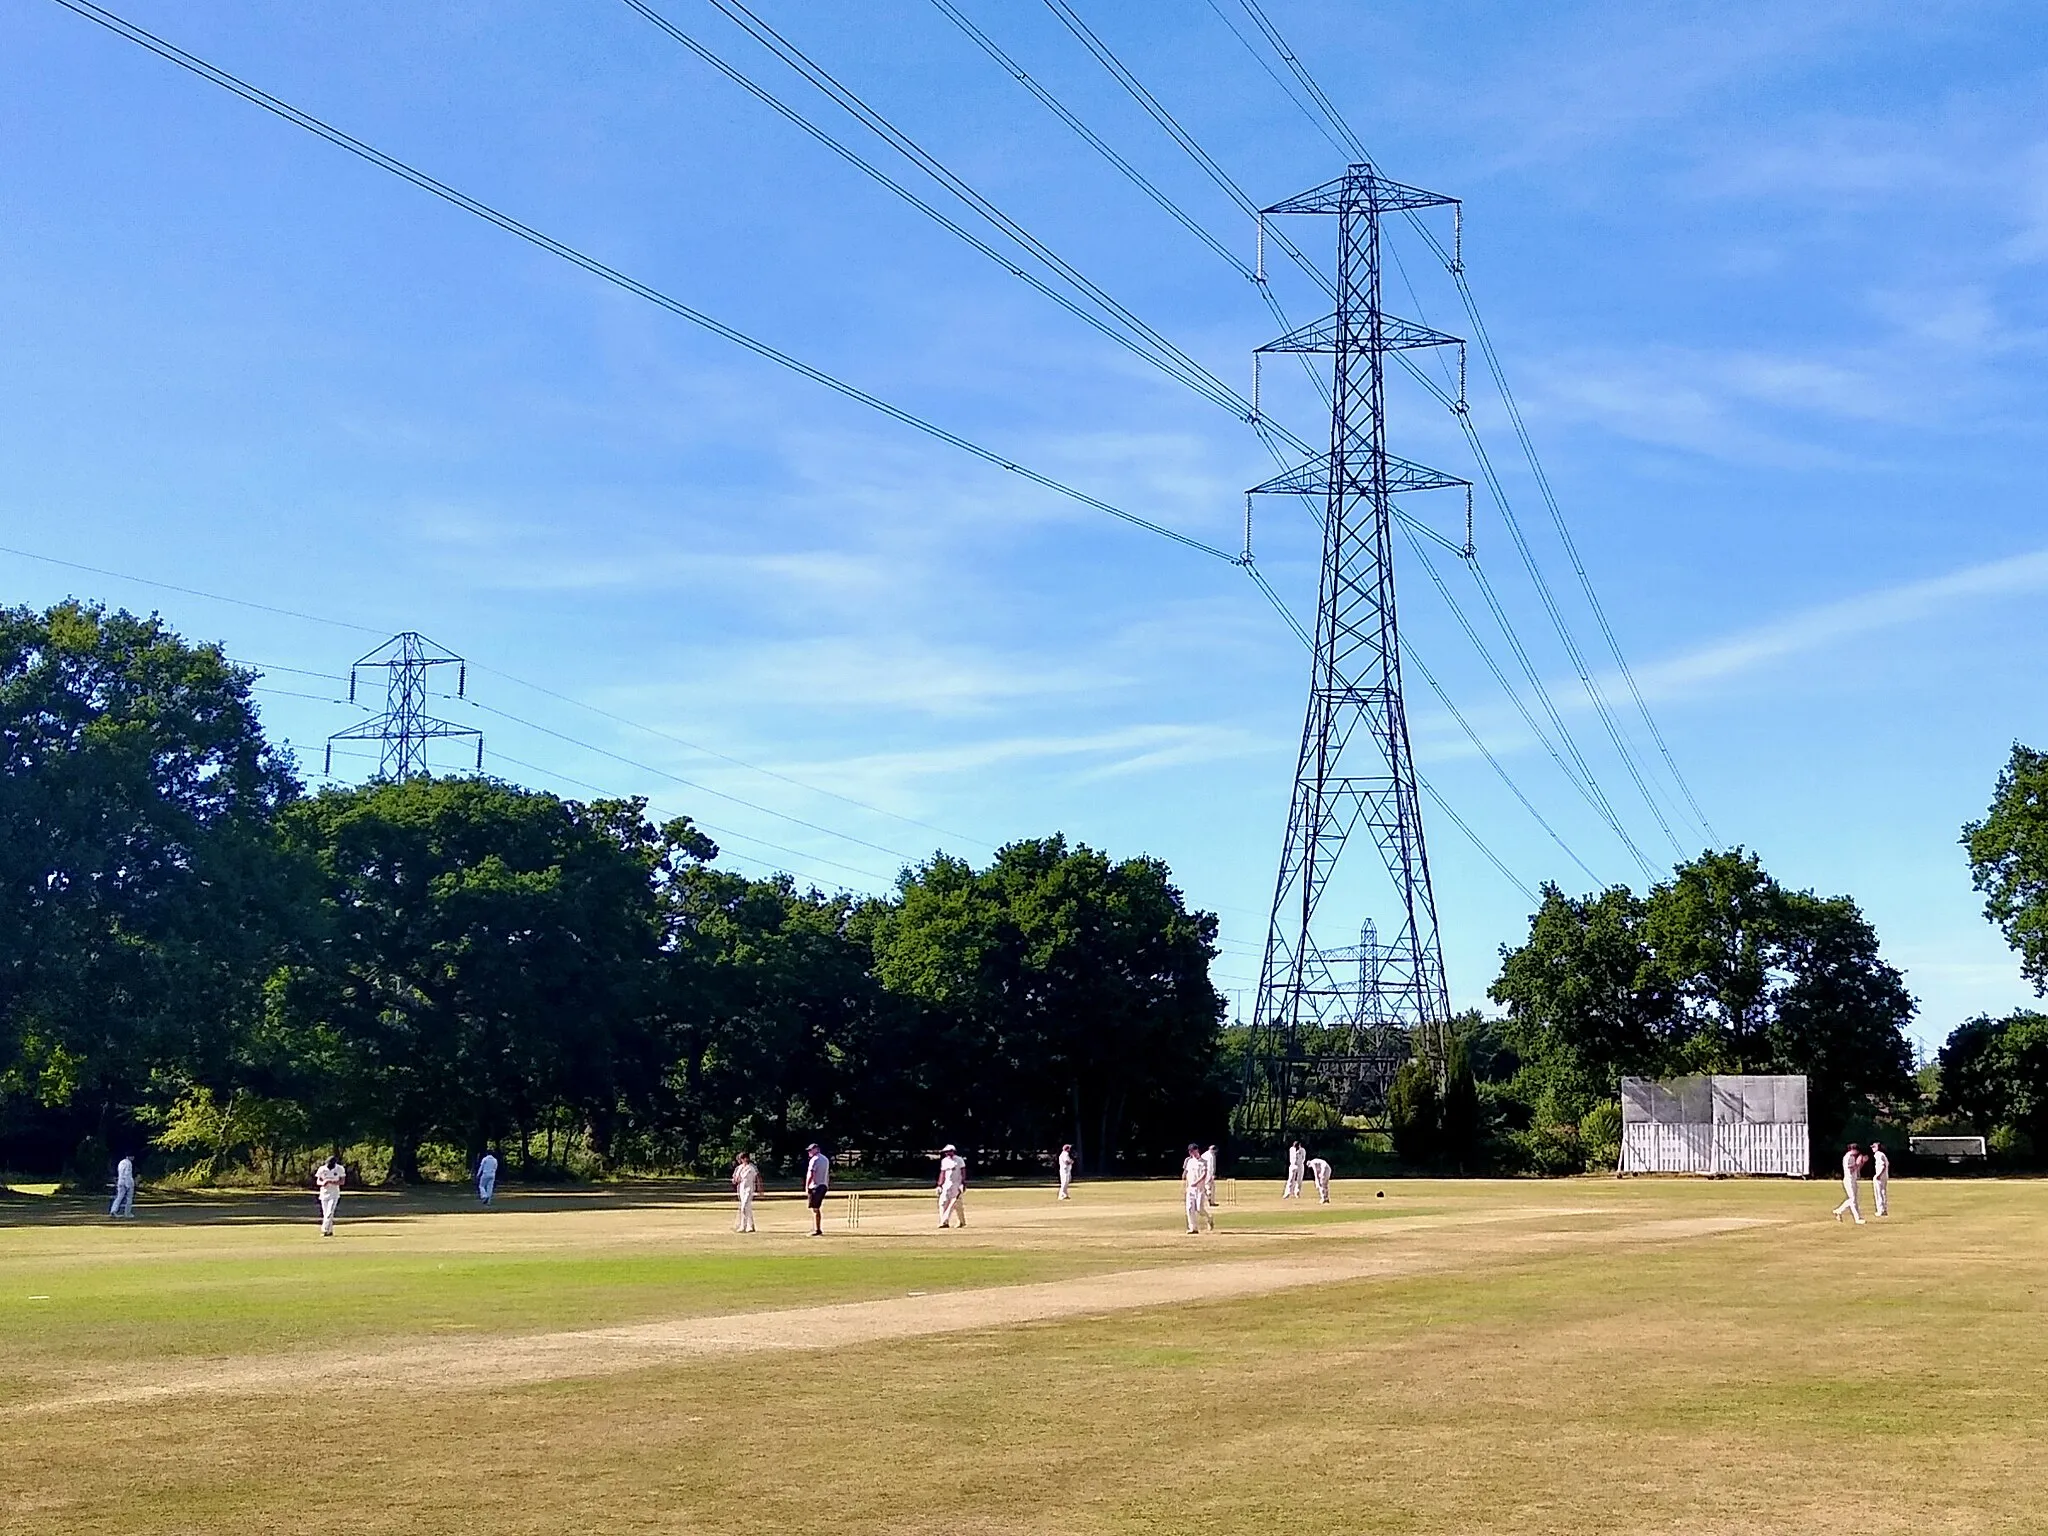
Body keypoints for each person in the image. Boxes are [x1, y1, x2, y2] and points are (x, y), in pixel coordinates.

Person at [1832, 1142, 1867, 1225]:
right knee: (1853, 1199)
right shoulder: (1848, 1157)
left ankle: (1839, 1211)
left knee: (1854, 1199)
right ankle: (1856, 1218)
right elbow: (1851, 1169)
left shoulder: (1852, 1157)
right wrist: (1858, 1163)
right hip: (1849, 1180)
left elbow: (1856, 1169)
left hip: (1853, 1179)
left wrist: (1862, 1163)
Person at [314, 1153, 347, 1237]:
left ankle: (324, 1230)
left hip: (334, 1194)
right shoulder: (322, 1169)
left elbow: (342, 1182)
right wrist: (322, 1183)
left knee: (329, 1212)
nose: (328, 1167)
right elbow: (318, 1181)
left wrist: (331, 1181)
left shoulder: (340, 1169)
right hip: (324, 1194)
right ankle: (330, 1231)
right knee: (326, 1214)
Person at [1182, 1143, 1212, 1234]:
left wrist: (1196, 1182)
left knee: (1199, 1209)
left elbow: (1204, 1174)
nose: (1192, 1153)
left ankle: (1209, 1218)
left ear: (1197, 1150)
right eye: (1190, 1152)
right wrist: (1185, 1182)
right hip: (1190, 1189)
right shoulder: (1189, 1161)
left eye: (1193, 1151)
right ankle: (1193, 1228)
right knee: (1190, 1208)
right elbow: (1186, 1172)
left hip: (1199, 1189)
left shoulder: (1204, 1162)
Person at [937, 1143, 968, 1229]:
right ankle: (944, 1221)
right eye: (946, 1152)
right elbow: (942, 1173)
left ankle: (946, 1221)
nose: (947, 1153)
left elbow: (963, 1172)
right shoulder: (944, 1161)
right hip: (946, 1185)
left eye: (949, 1151)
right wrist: (939, 1185)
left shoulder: (959, 1160)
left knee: (955, 1203)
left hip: (956, 1184)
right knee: (943, 1202)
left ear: (953, 1151)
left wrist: (963, 1183)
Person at [803, 1142, 831, 1237]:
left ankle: (817, 1229)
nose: (809, 1152)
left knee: (815, 1208)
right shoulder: (825, 1159)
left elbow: (811, 1174)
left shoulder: (814, 1160)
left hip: (816, 1186)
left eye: (810, 1150)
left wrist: (807, 1187)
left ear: (816, 1149)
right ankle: (817, 1228)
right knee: (816, 1208)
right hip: (824, 1185)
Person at [732, 1151, 761, 1233]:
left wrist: (760, 1189)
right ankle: (750, 1226)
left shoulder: (751, 1167)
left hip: (749, 1189)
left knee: (744, 1206)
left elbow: (757, 1177)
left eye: (742, 1158)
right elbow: (735, 1179)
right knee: (747, 1207)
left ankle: (743, 1225)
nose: (741, 1160)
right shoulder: (739, 1168)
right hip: (741, 1189)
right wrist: (735, 1180)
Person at [109, 1154, 136, 1220]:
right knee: (129, 1198)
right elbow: (127, 1174)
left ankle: (113, 1210)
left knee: (119, 1197)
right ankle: (127, 1213)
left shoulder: (121, 1162)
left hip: (120, 1181)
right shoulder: (128, 1163)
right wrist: (128, 1184)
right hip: (127, 1182)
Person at [1871, 1140, 1891, 1218]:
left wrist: (1878, 1175)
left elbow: (1883, 1166)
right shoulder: (1883, 1154)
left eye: (1873, 1147)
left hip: (1880, 1176)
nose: (1872, 1148)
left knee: (1878, 1193)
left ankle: (1880, 1210)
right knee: (1883, 1193)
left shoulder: (1878, 1154)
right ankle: (1884, 1209)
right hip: (1884, 1176)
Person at [1202, 1144, 1220, 1212]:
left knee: (1207, 1186)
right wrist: (1211, 1175)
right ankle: (1210, 1200)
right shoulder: (1211, 1156)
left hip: (1202, 1173)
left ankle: (1209, 1200)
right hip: (1208, 1173)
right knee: (1210, 1187)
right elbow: (1210, 1166)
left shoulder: (1204, 1154)